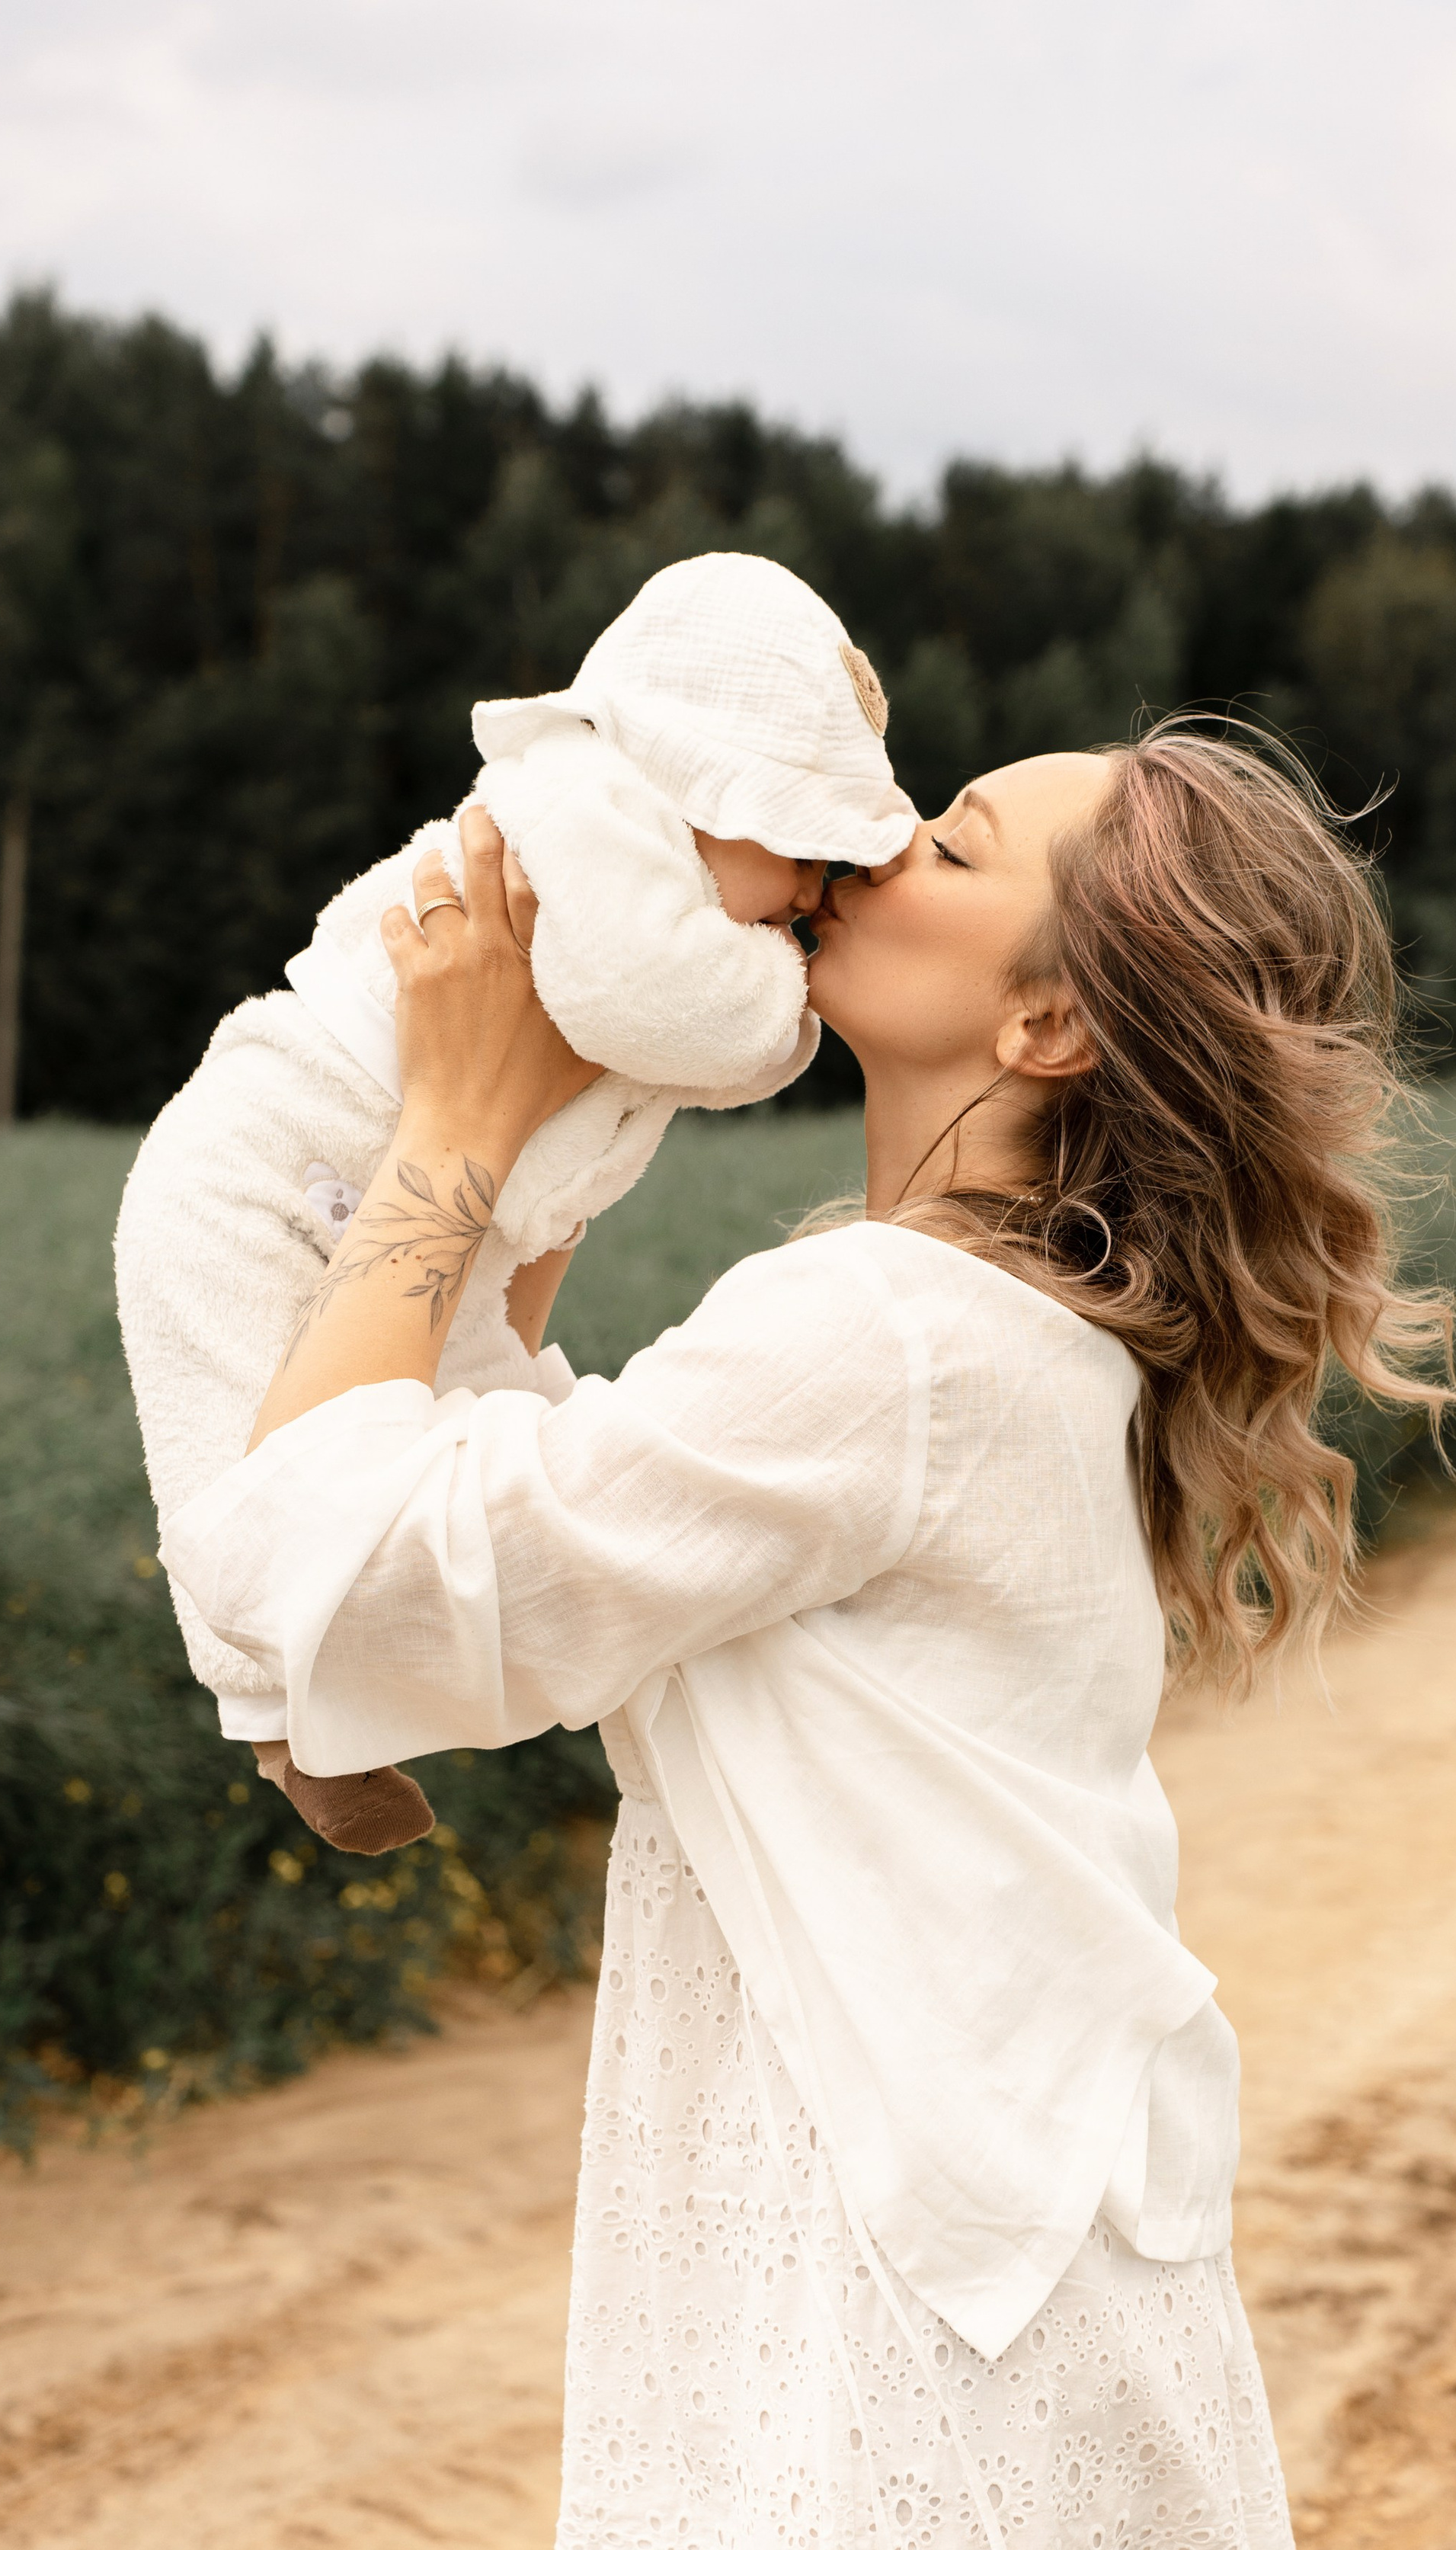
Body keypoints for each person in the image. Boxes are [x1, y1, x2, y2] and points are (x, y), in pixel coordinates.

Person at [163, 723, 1454, 2550]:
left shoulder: (887, 1341)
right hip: (985, 2239)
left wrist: (462, 1126)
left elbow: (342, 1580)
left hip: (907, 2277)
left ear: (1039, 1016)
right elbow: (575, 1543)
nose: (875, 837)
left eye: (946, 841)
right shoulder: (990, 1339)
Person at [116, 554, 913, 1850]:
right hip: (267, 1154)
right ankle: (274, 1711)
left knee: (505, 1426)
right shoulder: (590, 812)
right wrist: (789, 1008)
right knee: (227, 1433)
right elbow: (647, 1002)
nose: (811, 908)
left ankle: (443, 1670)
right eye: (807, 862)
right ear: (711, 788)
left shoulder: (669, 857)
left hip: (449, 1210)